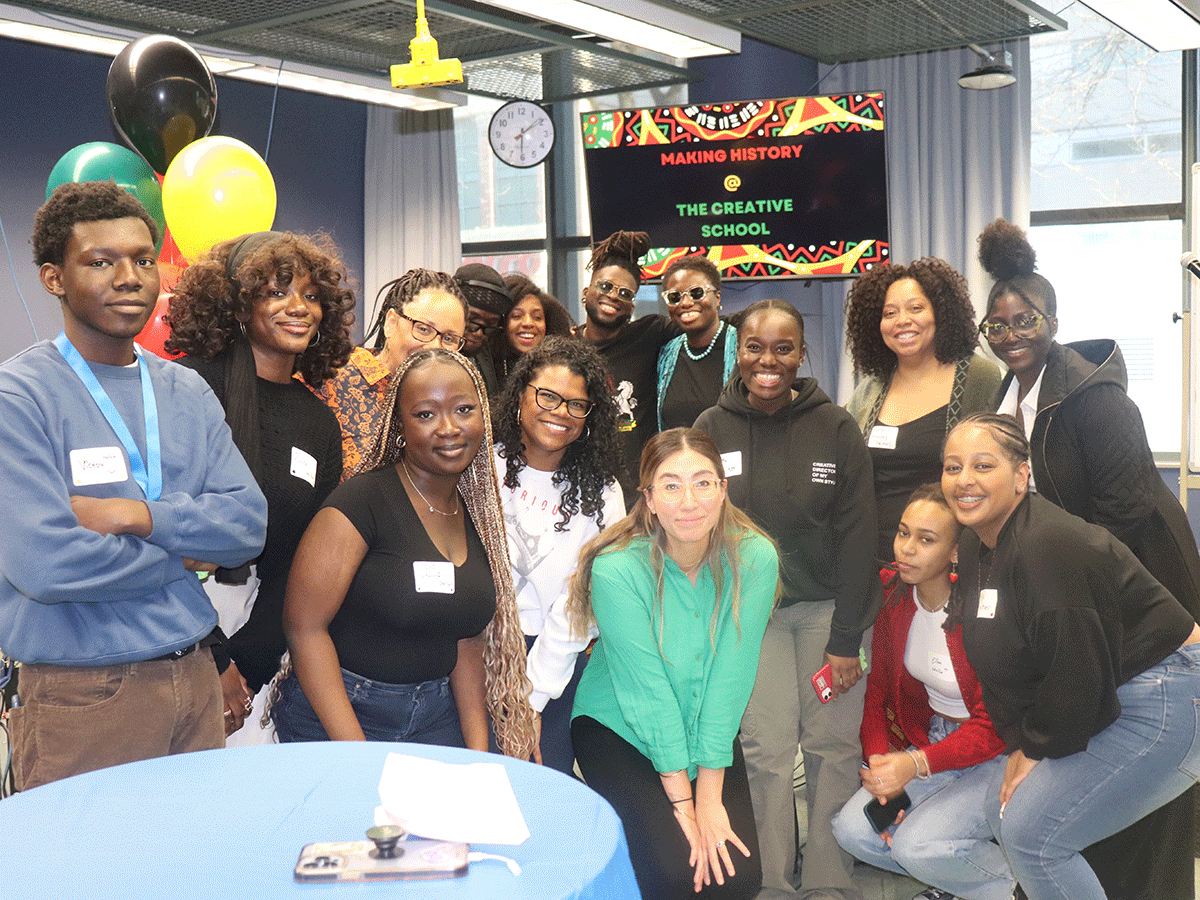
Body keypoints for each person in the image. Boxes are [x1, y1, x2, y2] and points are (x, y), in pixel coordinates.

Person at [0, 181, 267, 790]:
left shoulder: (185, 391)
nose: (130, 277)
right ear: (54, 278)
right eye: (101, 262)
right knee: (87, 880)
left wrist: (137, 517)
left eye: (144, 259)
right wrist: (187, 552)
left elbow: (248, 525)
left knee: (195, 872)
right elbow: (47, 565)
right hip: (83, 694)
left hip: (193, 676)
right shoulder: (19, 397)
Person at [977, 218, 1200, 900]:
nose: (1012, 335)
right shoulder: (1006, 399)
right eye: (998, 325)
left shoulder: (1096, 399)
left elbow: (1126, 519)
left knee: (1136, 752)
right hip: (1078, 593)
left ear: (1054, 320)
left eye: (1026, 320)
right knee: (1096, 759)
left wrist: (1088, 619)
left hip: (1142, 591)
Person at [943, 412, 1200, 900]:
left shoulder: (1045, 545)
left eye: (982, 465)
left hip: (1172, 689)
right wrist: (1023, 740)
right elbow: (1000, 658)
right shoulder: (978, 543)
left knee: (1030, 836)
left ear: (1021, 477)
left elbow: (1075, 670)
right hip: (1112, 684)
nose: (965, 481)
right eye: (952, 467)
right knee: (1013, 820)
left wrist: (1034, 747)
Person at [694, 299, 879, 900]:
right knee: (767, 752)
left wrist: (847, 637)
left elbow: (860, 536)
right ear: (738, 351)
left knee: (831, 750)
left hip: (829, 615)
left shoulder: (836, 426)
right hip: (751, 620)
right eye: (754, 346)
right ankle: (775, 886)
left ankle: (829, 886)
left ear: (802, 354)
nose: (767, 361)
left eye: (783, 348)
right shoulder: (710, 428)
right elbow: (693, 526)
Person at [272, 348, 536, 758]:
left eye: (464, 409)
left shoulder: (475, 512)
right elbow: (305, 629)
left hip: (433, 716)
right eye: (426, 414)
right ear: (400, 426)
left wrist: (479, 752)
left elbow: (465, 640)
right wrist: (357, 756)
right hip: (342, 717)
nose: (449, 428)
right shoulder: (360, 503)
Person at [569, 428, 780, 899]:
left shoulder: (754, 557)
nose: (689, 501)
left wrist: (709, 796)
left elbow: (731, 677)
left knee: (737, 876)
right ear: (648, 498)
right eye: (671, 485)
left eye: (704, 482)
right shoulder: (617, 569)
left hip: (706, 721)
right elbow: (648, 693)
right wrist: (684, 806)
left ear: (723, 490)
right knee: (677, 873)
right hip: (620, 725)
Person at [166, 231, 350, 736]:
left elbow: (303, 560)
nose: (299, 308)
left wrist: (245, 668)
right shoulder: (185, 388)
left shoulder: (318, 422)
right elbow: (160, 533)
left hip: (265, 643)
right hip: (174, 624)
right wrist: (217, 658)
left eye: (312, 296)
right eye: (277, 292)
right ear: (238, 305)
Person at [831, 484, 1012, 900]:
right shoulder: (895, 596)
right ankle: (959, 880)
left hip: (996, 755)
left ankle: (1014, 884)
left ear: (954, 552)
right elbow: (876, 690)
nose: (907, 549)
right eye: (903, 532)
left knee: (914, 844)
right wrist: (881, 763)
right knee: (853, 831)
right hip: (931, 744)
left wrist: (913, 765)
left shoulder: (981, 610)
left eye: (926, 539)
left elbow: (995, 726)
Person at [492, 336, 625, 774]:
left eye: (576, 404)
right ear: (520, 395)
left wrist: (533, 692)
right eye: (547, 396)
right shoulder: (480, 465)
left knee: (540, 793)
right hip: (473, 656)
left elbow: (584, 601)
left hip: (553, 665)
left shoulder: (604, 493)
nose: (560, 412)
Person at [845, 258, 1000, 561]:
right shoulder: (869, 390)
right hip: (878, 562)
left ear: (940, 314)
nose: (902, 320)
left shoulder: (979, 377)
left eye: (916, 308)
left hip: (954, 561)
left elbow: (997, 474)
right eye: (890, 313)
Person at [313, 268, 468, 475]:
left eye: (449, 339)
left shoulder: (457, 406)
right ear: (390, 323)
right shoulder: (330, 378)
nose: (434, 347)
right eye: (423, 329)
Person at [574, 230, 680, 507]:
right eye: (606, 286)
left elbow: (708, 328)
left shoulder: (650, 334)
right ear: (587, 292)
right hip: (577, 495)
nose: (614, 296)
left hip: (638, 502)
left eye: (624, 293)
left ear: (632, 305)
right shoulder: (564, 349)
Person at [656, 255, 737, 431]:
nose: (685, 303)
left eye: (696, 293)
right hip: (676, 456)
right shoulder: (665, 355)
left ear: (717, 297)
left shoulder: (743, 349)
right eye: (675, 297)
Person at [495, 273, 574, 385]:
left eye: (537, 317)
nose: (528, 323)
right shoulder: (489, 369)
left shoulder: (563, 369)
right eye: (517, 316)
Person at [454, 262, 513, 397]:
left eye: (490, 325)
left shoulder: (487, 354)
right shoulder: (428, 351)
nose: (479, 333)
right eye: (472, 321)